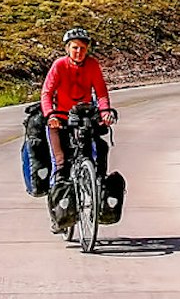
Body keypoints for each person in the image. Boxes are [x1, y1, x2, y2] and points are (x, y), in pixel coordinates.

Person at [40, 28, 117, 231]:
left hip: (83, 117)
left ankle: (96, 190)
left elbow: (101, 92)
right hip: (60, 119)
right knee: (61, 163)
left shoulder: (92, 65)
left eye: (82, 48)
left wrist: (105, 112)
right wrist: (51, 116)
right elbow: (46, 93)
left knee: (98, 152)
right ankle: (57, 215)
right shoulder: (59, 65)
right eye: (74, 48)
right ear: (67, 49)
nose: (78, 52)